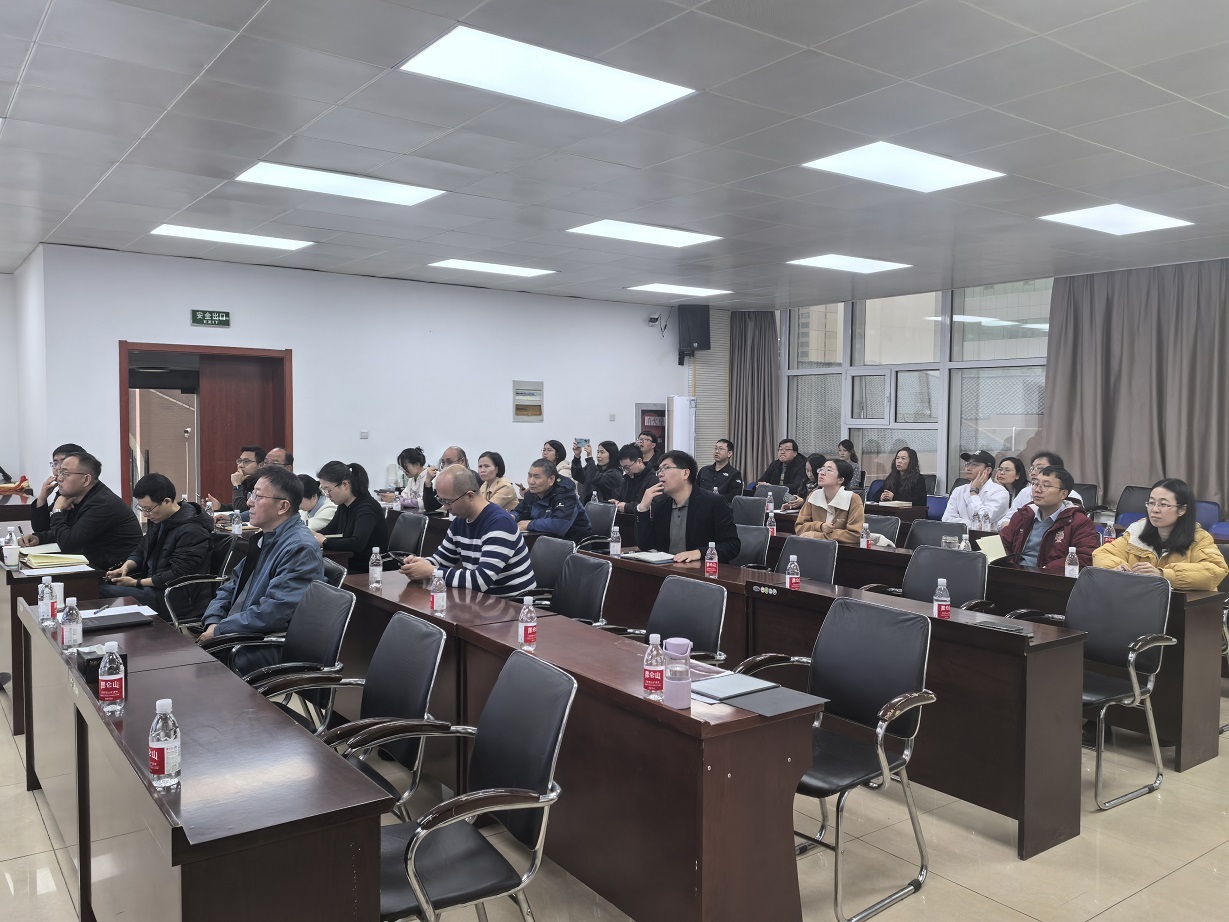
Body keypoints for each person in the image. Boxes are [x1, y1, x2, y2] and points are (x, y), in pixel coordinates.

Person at [198, 465, 324, 672]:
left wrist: (220, 630)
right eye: (251, 494)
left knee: (191, 671)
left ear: (283, 507)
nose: (249, 502)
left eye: (257, 496)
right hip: (236, 635)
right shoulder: (265, 538)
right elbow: (231, 586)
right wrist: (213, 620)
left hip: (262, 645)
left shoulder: (299, 547)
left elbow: (274, 612)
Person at [399, 465, 536, 597]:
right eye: (441, 500)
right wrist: (419, 564)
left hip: (512, 604)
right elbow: (441, 559)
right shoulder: (460, 520)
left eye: (448, 501)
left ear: (470, 496)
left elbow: (480, 581)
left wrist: (431, 571)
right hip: (480, 600)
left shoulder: (500, 523)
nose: (445, 507)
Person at [101, 473, 214, 618]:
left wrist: (136, 583)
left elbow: (177, 574)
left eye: (148, 509)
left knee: (101, 591)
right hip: (153, 588)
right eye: (142, 509)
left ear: (167, 501)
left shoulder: (192, 530)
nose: (145, 515)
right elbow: (142, 548)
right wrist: (125, 567)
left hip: (175, 597)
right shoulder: (160, 520)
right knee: (98, 584)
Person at [1093, 478, 1228, 591]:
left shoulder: (1199, 538)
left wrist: (1163, 574)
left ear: (1182, 510)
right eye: (1151, 503)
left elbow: (1215, 570)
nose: (1155, 510)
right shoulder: (1136, 531)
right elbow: (1101, 554)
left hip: (1185, 607)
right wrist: (1119, 569)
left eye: (1163, 504)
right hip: (1140, 601)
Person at [20, 451, 142, 570]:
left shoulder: (102, 504)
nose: (59, 478)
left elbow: (68, 545)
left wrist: (57, 510)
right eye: (60, 472)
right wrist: (39, 538)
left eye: (65, 473)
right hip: (95, 564)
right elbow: (71, 532)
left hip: (118, 572)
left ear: (86, 480)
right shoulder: (73, 496)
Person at [633, 450, 740, 563]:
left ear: (685, 473)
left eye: (666, 468)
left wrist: (699, 553)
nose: (660, 474)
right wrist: (642, 508)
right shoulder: (662, 506)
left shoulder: (714, 502)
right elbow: (646, 546)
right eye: (659, 470)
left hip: (700, 569)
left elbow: (732, 546)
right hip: (667, 568)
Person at [999, 467, 1099, 572]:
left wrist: (1045, 571)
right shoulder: (1023, 515)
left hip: (1050, 579)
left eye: (1046, 485)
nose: (1037, 490)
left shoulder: (1079, 522)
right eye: (1035, 484)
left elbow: (1084, 558)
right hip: (1014, 576)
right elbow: (1001, 543)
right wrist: (1008, 566)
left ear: (1063, 494)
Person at [315, 461, 387, 573]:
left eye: (328, 490)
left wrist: (325, 542)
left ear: (345, 485)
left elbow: (357, 543)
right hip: (348, 563)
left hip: (367, 569)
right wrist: (313, 534)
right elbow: (330, 530)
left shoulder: (367, 508)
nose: (328, 495)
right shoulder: (344, 505)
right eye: (324, 491)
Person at [996, 451, 1083, 529]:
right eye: (1032, 468)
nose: (1033, 472)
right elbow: (1005, 521)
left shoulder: (1072, 497)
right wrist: (1017, 530)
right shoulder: (1025, 492)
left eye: (1040, 468)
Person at [512, 459, 592, 542]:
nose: (531, 482)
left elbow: (560, 524)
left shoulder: (566, 494)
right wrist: (512, 517)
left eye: (536, 477)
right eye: (529, 476)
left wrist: (530, 524)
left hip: (573, 543)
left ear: (551, 479)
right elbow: (520, 511)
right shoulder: (532, 493)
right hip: (542, 540)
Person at [795, 459, 867, 544]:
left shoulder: (853, 499)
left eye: (829, 470)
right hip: (813, 546)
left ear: (840, 480)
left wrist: (820, 536)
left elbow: (856, 534)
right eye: (821, 469)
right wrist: (820, 526)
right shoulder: (813, 496)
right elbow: (799, 527)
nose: (822, 473)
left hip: (842, 549)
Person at [943, 451, 1010, 529]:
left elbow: (984, 520)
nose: (968, 468)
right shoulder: (959, 490)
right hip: (958, 534)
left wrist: (973, 492)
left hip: (986, 536)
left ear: (988, 470)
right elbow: (946, 519)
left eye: (974, 465)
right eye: (967, 464)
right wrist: (973, 525)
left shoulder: (1000, 492)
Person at [30, 442, 85, 533]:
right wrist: (42, 497)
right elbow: (42, 528)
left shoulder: (95, 501)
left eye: (63, 462)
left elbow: (69, 537)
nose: (58, 468)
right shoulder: (63, 493)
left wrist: (57, 510)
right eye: (55, 463)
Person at [205, 445, 264, 511]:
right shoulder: (246, 481)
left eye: (246, 461)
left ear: (261, 465)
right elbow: (241, 506)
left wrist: (237, 485)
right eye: (240, 461)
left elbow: (241, 511)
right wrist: (220, 506)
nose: (240, 465)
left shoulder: (264, 484)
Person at [571, 440, 623, 504]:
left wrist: (589, 458)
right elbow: (577, 475)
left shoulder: (615, 474)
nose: (598, 455)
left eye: (602, 452)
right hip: (586, 507)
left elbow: (596, 478)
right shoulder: (595, 469)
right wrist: (577, 456)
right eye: (598, 452)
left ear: (612, 454)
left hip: (603, 508)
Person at [696, 439, 744, 503]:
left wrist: (716, 499)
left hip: (722, 506)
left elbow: (735, 496)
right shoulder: (704, 470)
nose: (717, 451)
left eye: (721, 449)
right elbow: (695, 490)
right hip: (702, 505)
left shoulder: (734, 474)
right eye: (715, 448)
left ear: (729, 453)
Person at [615, 443, 655, 514]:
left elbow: (652, 506)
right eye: (623, 468)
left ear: (639, 461)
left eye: (627, 467)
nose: (626, 471)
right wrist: (616, 502)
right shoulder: (627, 479)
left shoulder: (653, 479)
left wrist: (627, 507)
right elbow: (620, 497)